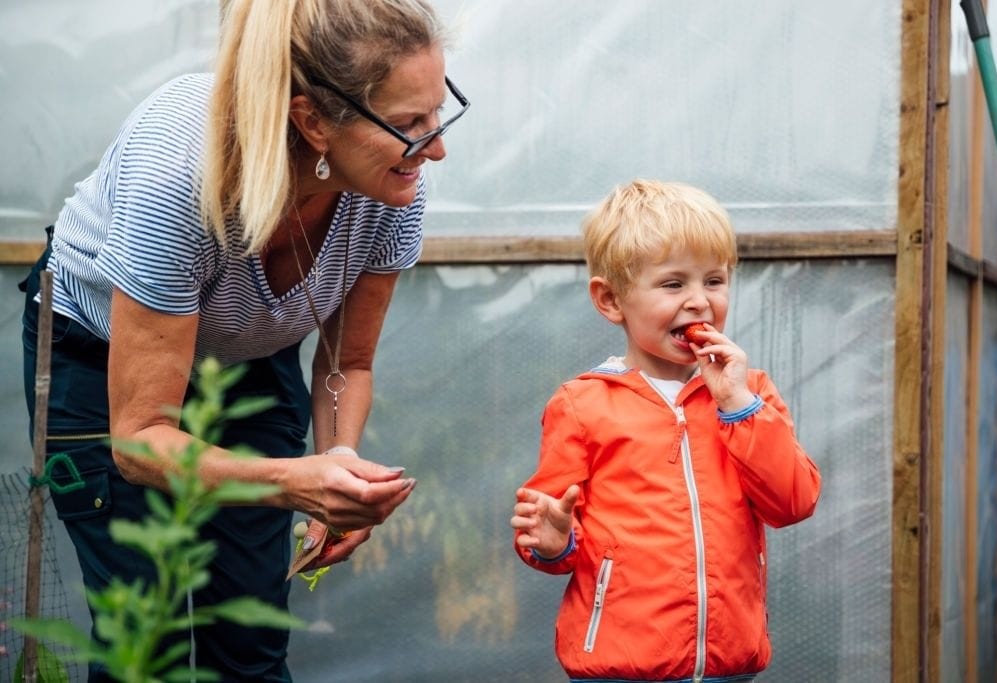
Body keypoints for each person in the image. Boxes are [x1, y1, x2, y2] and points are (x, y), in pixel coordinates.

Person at [20, 0, 469, 679]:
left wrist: (337, 462)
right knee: (149, 644)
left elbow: (346, 359)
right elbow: (140, 437)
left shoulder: (391, 189)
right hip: (100, 358)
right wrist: (293, 480)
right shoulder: (182, 180)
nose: (434, 148)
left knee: (249, 638)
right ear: (312, 121)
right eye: (409, 125)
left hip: (244, 355)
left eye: (438, 113)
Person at [510, 180, 821, 682]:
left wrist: (737, 405)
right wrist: (551, 542)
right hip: (618, 668)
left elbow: (794, 502)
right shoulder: (583, 403)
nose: (699, 301)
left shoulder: (751, 393)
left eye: (714, 281)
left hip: (731, 665)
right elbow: (548, 530)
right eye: (673, 284)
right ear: (611, 300)